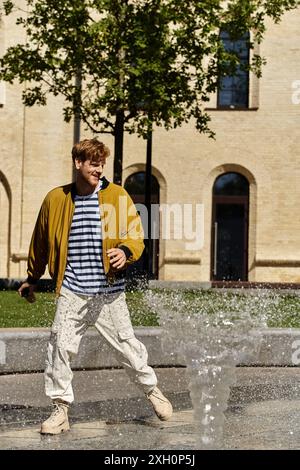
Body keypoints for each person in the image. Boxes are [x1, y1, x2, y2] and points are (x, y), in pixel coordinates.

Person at [18, 138, 172, 435]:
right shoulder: (56, 199)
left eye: (102, 164)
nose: (99, 169)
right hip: (73, 289)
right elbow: (40, 240)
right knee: (59, 346)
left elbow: (134, 233)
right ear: (78, 163)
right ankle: (60, 410)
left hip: (107, 291)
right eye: (93, 164)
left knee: (127, 348)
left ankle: (152, 391)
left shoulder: (117, 196)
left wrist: (125, 252)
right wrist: (32, 278)